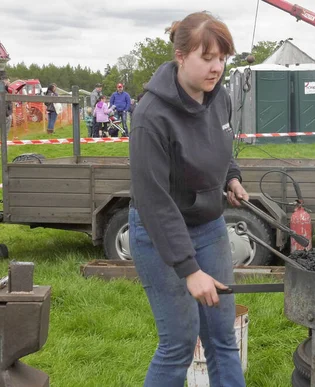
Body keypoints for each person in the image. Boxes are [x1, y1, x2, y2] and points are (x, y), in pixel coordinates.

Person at [128, 11, 247, 387]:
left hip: (209, 227)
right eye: (207, 58)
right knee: (178, 342)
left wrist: (231, 176)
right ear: (181, 57)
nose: (217, 68)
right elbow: (154, 200)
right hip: (159, 233)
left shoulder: (220, 96)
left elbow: (222, 144)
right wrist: (189, 269)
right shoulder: (151, 116)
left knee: (222, 337)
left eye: (222, 58)